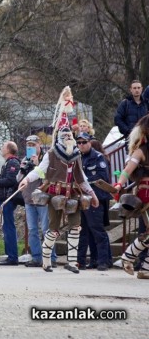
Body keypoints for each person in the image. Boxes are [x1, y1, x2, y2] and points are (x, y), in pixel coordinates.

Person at [19, 86, 99, 273]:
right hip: (55, 192)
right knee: (53, 229)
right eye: (65, 136)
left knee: (75, 227)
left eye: (70, 135)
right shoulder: (52, 154)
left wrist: (92, 194)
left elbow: (82, 178)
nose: (68, 138)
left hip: (73, 193)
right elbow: (40, 170)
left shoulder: (76, 155)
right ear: (60, 138)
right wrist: (27, 180)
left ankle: (72, 262)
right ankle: (46, 260)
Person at [113, 115, 149, 279]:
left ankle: (146, 269)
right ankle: (127, 257)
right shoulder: (141, 151)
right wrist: (119, 184)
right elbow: (128, 170)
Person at [16, 135, 55, 268]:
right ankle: (37, 258)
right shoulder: (25, 159)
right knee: (32, 229)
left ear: (39, 145)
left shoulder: (46, 158)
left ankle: (51, 257)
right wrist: (23, 168)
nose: (31, 147)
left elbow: (47, 178)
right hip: (29, 199)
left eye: (33, 144)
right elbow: (18, 179)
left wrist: (37, 164)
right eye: (28, 145)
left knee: (46, 229)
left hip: (42, 198)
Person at [75, 132, 111, 271]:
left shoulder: (98, 157)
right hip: (82, 198)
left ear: (90, 142)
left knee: (97, 231)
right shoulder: (78, 158)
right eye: (79, 143)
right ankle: (81, 262)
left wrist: (83, 182)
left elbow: (102, 178)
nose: (81, 145)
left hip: (96, 198)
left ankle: (103, 261)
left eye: (84, 142)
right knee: (83, 231)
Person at [0, 141, 20, 265]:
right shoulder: (8, 162)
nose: (1, 149)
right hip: (4, 199)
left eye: (3, 147)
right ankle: (9, 255)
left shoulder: (13, 162)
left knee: (9, 227)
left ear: (8, 150)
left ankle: (12, 257)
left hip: (8, 198)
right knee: (6, 227)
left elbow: (11, 180)